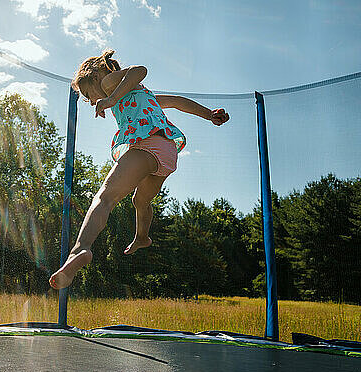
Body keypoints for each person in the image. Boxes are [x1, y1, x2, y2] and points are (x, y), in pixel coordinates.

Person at [49, 50, 229, 290]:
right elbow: (175, 101)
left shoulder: (108, 82)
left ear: (94, 77)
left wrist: (110, 98)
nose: (91, 101)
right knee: (140, 201)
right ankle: (142, 237)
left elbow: (140, 70)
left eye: (87, 95)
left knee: (105, 198)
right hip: (166, 151)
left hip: (148, 143)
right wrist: (209, 114)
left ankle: (80, 251)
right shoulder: (140, 94)